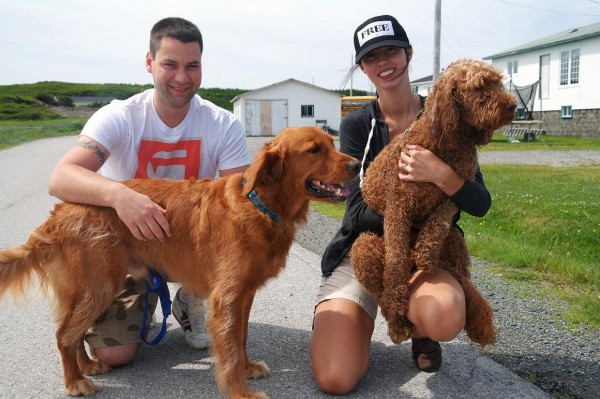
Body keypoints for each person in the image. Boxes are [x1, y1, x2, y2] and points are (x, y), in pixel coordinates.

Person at [48, 17, 251, 367]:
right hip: (125, 246)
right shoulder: (120, 116)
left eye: (192, 66)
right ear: (149, 63)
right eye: (170, 65)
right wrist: (121, 197)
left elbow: (242, 205)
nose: (182, 78)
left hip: (189, 245)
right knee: (114, 355)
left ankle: (193, 301)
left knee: (239, 244)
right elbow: (62, 178)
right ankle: (142, 304)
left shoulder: (222, 123)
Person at [309, 15, 492, 394]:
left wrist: (440, 174)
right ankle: (353, 319)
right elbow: (357, 211)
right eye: (372, 56)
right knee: (336, 378)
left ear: (408, 54)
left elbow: (479, 202)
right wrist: (402, 211)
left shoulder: (447, 112)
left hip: (428, 252)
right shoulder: (359, 124)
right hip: (365, 246)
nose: (383, 62)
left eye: (390, 50)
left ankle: (421, 328)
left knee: (443, 315)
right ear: (363, 67)